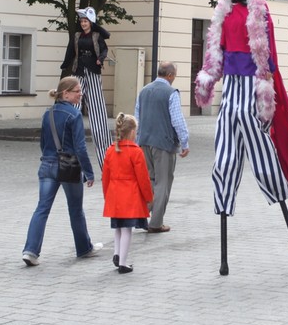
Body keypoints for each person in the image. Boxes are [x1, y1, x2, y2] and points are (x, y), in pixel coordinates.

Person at [195, 0, 288, 276]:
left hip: (251, 88)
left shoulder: (258, 10)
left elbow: (268, 56)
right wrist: (209, 75)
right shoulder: (222, 11)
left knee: (264, 160)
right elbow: (216, 52)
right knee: (223, 160)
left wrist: (267, 91)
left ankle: (280, 195)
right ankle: (223, 210)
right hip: (231, 91)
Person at [22, 76, 104, 266]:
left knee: (42, 208)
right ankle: (84, 248)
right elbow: (81, 148)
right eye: (77, 91)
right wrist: (89, 173)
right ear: (65, 93)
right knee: (75, 209)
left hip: (47, 164)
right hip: (69, 166)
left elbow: (43, 142)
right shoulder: (74, 115)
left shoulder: (47, 114)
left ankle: (30, 251)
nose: (80, 95)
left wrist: (50, 157)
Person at [135, 62, 190, 233]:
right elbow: (177, 120)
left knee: (149, 180)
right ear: (170, 75)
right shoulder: (171, 93)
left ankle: (140, 216)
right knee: (163, 182)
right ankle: (156, 223)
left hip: (144, 141)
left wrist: (137, 140)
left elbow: (137, 116)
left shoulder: (144, 90)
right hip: (163, 143)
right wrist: (184, 142)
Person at [62, 7, 112, 171]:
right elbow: (71, 50)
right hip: (79, 72)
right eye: (81, 21)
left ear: (91, 22)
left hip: (93, 73)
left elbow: (105, 47)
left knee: (98, 116)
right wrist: (65, 64)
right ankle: (69, 162)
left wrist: (101, 59)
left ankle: (107, 163)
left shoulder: (97, 35)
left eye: (85, 21)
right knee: (72, 111)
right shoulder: (76, 36)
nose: (83, 24)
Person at [102, 113, 154, 274]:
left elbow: (105, 177)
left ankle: (117, 253)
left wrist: (107, 196)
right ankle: (123, 263)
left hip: (115, 194)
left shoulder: (111, 150)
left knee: (117, 228)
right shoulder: (135, 152)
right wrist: (148, 197)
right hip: (130, 196)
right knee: (127, 230)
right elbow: (143, 178)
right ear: (132, 132)